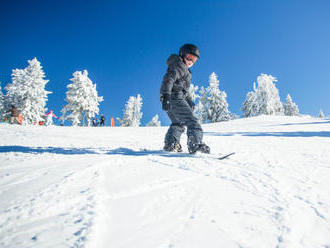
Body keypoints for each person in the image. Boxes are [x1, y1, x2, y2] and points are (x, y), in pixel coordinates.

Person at [160, 44, 210, 154]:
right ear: (182, 55)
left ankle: (171, 144)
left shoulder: (182, 69)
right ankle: (195, 144)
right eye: (189, 58)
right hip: (174, 98)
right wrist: (166, 95)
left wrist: (189, 100)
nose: (191, 61)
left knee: (178, 122)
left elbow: (183, 90)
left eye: (194, 60)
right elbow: (169, 79)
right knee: (192, 121)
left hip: (172, 98)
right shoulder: (179, 65)